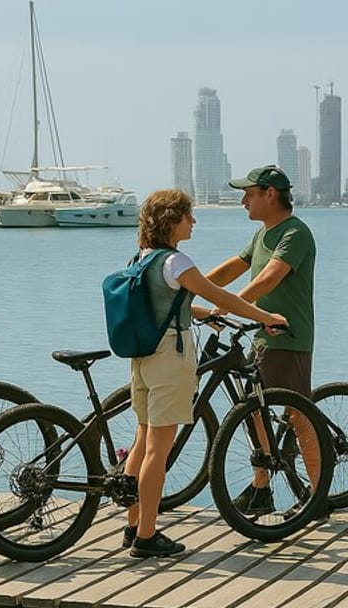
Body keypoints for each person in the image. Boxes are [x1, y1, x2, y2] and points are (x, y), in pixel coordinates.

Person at [121, 189, 286, 558]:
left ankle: (132, 526)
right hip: (169, 361)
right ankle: (147, 537)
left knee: (141, 444)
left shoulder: (143, 258)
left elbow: (167, 306)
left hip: (143, 359)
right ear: (170, 221)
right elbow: (222, 296)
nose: (193, 221)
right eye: (188, 216)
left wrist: (201, 315)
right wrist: (266, 317)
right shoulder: (177, 262)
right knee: (157, 453)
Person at [206, 164, 319, 516]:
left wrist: (226, 307)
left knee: (299, 416)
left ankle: (317, 497)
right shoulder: (262, 236)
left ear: (270, 194)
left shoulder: (294, 233)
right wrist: (183, 289)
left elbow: (269, 279)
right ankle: (261, 487)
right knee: (253, 410)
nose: (243, 201)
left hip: (288, 336)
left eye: (249, 194)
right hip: (260, 336)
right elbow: (230, 269)